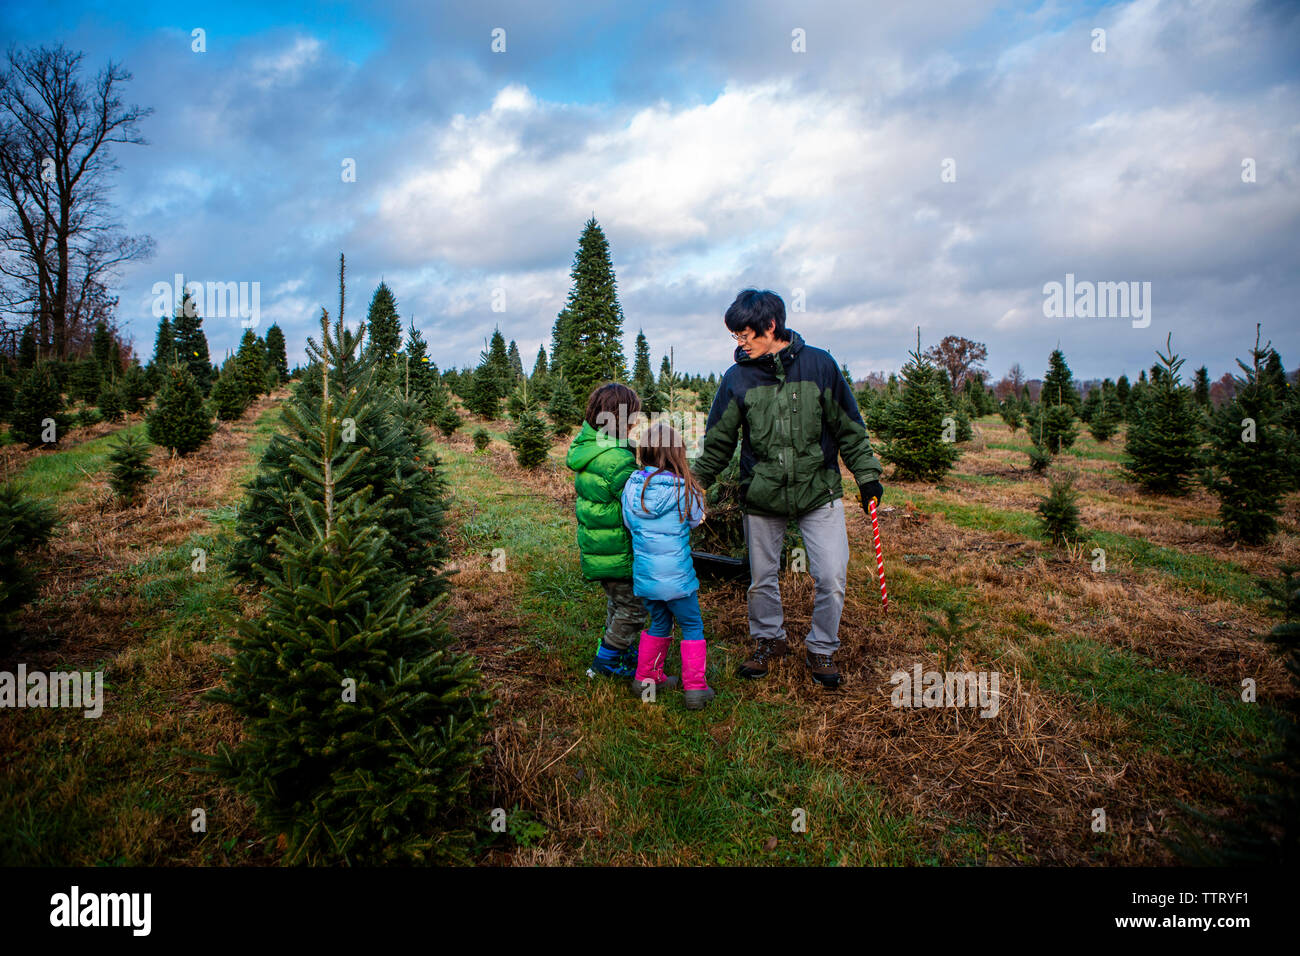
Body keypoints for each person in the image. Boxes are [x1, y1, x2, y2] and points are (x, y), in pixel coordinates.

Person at [691, 289, 885, 688]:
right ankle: (768, 640)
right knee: (762, 577)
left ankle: (822, 647)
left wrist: (867, 477)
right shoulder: (737, 378)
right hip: (762, 494)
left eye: (744, 334)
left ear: (770, 326)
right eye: (735, 337)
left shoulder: (820, 366)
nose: (740, 343)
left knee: (831, 574)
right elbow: (719, 443)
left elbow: (849, 428)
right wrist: (693, 486)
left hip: (819, 490)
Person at [622, 421, 713, 709]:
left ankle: (646, 679)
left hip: (647, 578)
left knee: (659, 622)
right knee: (691, 625)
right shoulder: (685, 489)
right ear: (678, 454)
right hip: (678, 580)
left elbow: (628, 522)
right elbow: (696, 519)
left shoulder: (632, 486)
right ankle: (696, 689)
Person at [565, 382, 647, 678]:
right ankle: (606, 662)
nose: (636, 423)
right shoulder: (617, 460)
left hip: (601, 548)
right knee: (634, 609)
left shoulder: (590, 449)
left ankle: (618, 652)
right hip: (618, 551)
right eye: (632, 417)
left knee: (618, 603)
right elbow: (639, 501)